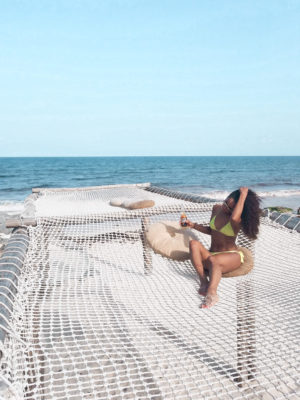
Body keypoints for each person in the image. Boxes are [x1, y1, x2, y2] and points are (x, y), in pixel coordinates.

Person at [186, 187, 261, 309]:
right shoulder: (216, 209)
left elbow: (234, 217)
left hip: (231, 257)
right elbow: (212, 231)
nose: (225, 207)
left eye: (230, 207)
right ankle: (203, 281)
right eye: (226, 202)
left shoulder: (237, 219)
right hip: (212, 255)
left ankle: (212, 293)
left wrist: (243, 195)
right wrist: (193, 225)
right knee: (194, 244)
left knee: (214, 260)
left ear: (237, 208)